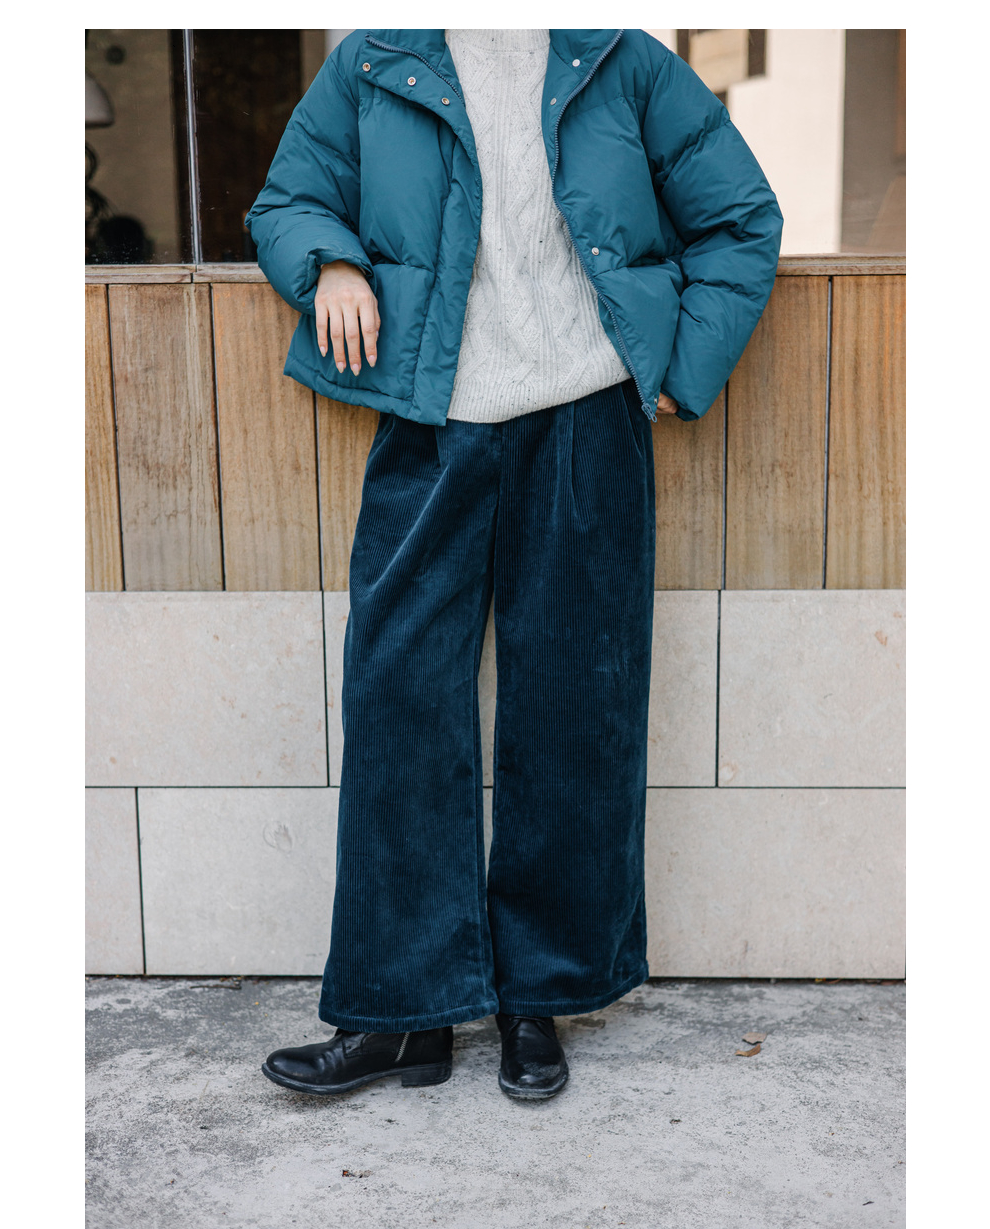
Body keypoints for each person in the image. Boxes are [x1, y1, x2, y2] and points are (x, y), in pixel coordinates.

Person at [245, 28, 782, 1101]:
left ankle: (538, 996)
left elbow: (741, 219)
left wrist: (680, 364)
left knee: (571, 709)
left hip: (586, 417)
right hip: (429, 415)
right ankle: (403, 1015)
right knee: (398, 698)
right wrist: (332, 262)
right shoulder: (374, 59)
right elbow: (287, 200)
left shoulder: (622, 58)